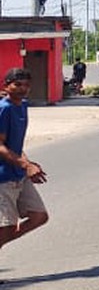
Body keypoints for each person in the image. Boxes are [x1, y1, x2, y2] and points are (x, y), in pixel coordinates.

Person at [0, 67, 48, 256]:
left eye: (26, 85)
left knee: (39, 216)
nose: (22, 89)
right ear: (7, 85)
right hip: (3, 178)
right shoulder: (4, 109)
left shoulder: (23, 106)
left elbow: (16, 145)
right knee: (7, 227)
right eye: (17, 84)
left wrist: (29, 164)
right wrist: (25, 165)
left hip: (19, 174)